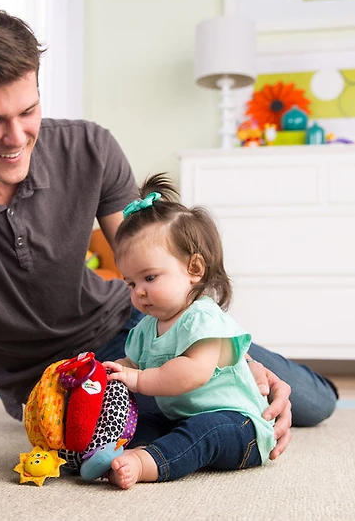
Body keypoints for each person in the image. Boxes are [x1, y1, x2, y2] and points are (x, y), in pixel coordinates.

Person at [0, 3, 338, 488]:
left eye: (28, 110)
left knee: (310, 402)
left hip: (142, 326)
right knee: (178, 425)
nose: (17, 137)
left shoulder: (89, 149)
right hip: (57, 383)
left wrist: (228, 355)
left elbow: (158, 262)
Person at [101, 173, 276, 489]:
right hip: (180, 417)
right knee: (144, 422)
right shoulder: (146, 327)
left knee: (206, 431)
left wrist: (139, 380)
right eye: (131, 283)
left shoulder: (203, 317)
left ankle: (146, 463)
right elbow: (132, 364)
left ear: (194, 269)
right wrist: (111, 371)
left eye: (150, 278)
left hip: (239, 424)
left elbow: (192, 372)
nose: (138, 292)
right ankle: (119, 453)